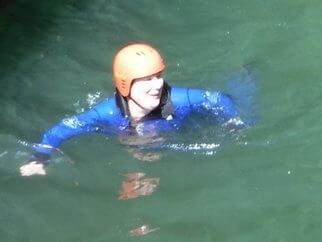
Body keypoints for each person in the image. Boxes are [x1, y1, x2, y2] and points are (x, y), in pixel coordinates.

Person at [19, 43, 241, 176]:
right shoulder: (107, 113)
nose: (157, 85)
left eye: (158, 77)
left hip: (177, 133)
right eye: (146, 80)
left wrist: (237, 124)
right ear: (125, 84)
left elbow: (220, 100)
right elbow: (62, 129)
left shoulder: (179, 99)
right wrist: (39, 158)